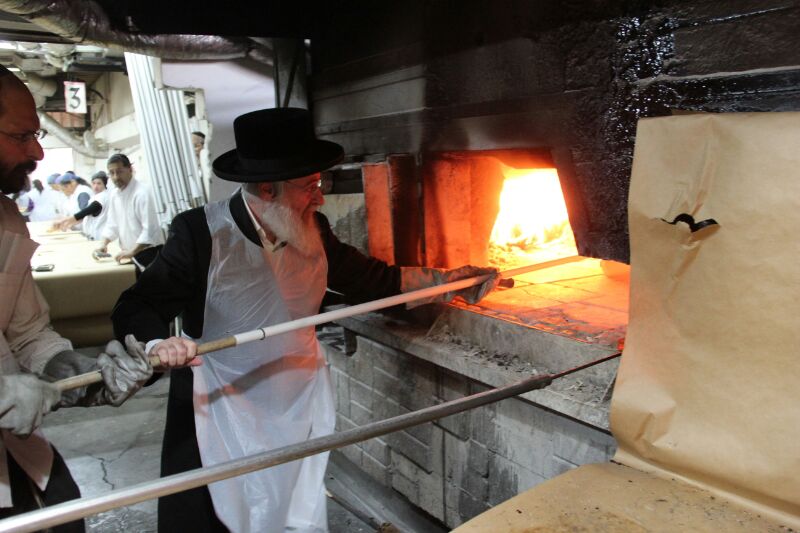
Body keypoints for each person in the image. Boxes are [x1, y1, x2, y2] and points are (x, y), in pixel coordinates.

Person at [111, 107, 498, 533]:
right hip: (221, 400)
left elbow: (371, 280)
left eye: (320, 183)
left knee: (289, 504)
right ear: (266, 189)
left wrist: (445, 282)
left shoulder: (310, 227)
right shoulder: (200, 233)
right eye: (310, 185)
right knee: (213, 515)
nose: (320, 197)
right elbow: (138, 305)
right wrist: (158, 345)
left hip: (294, 395)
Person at [0, 64, 153, 530]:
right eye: (22, 136)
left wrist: (87, 376)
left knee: (68, 516)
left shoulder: (5, 217)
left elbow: (27, 335)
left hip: (16, 448)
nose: (38, 150)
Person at [95, 153, 164, 271]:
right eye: (112, 173)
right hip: (130, 254)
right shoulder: (115, 195)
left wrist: (132, 252)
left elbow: (150, 230)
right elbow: (113, 225)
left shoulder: (142, 193)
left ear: (130, 169)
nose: (116, 177)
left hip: (149, 254)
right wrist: (103, 244)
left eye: (119, 171)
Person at [55, 171, 109, 240]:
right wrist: (68, 223)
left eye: (99, 183)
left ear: (105, 184)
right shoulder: (97, 196)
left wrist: (65, 221)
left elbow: (85, 212)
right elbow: (86, 215)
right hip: (92, 233)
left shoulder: (103, 196)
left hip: (99, 234)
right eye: (93, 183)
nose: (95, 186)